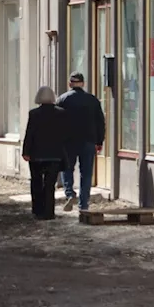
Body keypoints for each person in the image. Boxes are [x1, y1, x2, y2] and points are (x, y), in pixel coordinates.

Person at [59, 72, 106, 212]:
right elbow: (100, 122)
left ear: (70, 84)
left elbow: (57, 121)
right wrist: (99, 141)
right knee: (86, 173)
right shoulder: (92, 100)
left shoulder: (62, 99)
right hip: (88, 140)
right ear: (83, 83)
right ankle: (83, 203)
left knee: (67, 168)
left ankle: (69, 193)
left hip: (68, 141)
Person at [22, 86, 69, 220]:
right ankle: (49, 212)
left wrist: (26, 151)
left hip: (36, 154)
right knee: (50, 185)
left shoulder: (34, 114)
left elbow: (29, 133)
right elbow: (65, 134)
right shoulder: (61, 113)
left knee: (36, 182)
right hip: (54, 154)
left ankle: (37, 209)